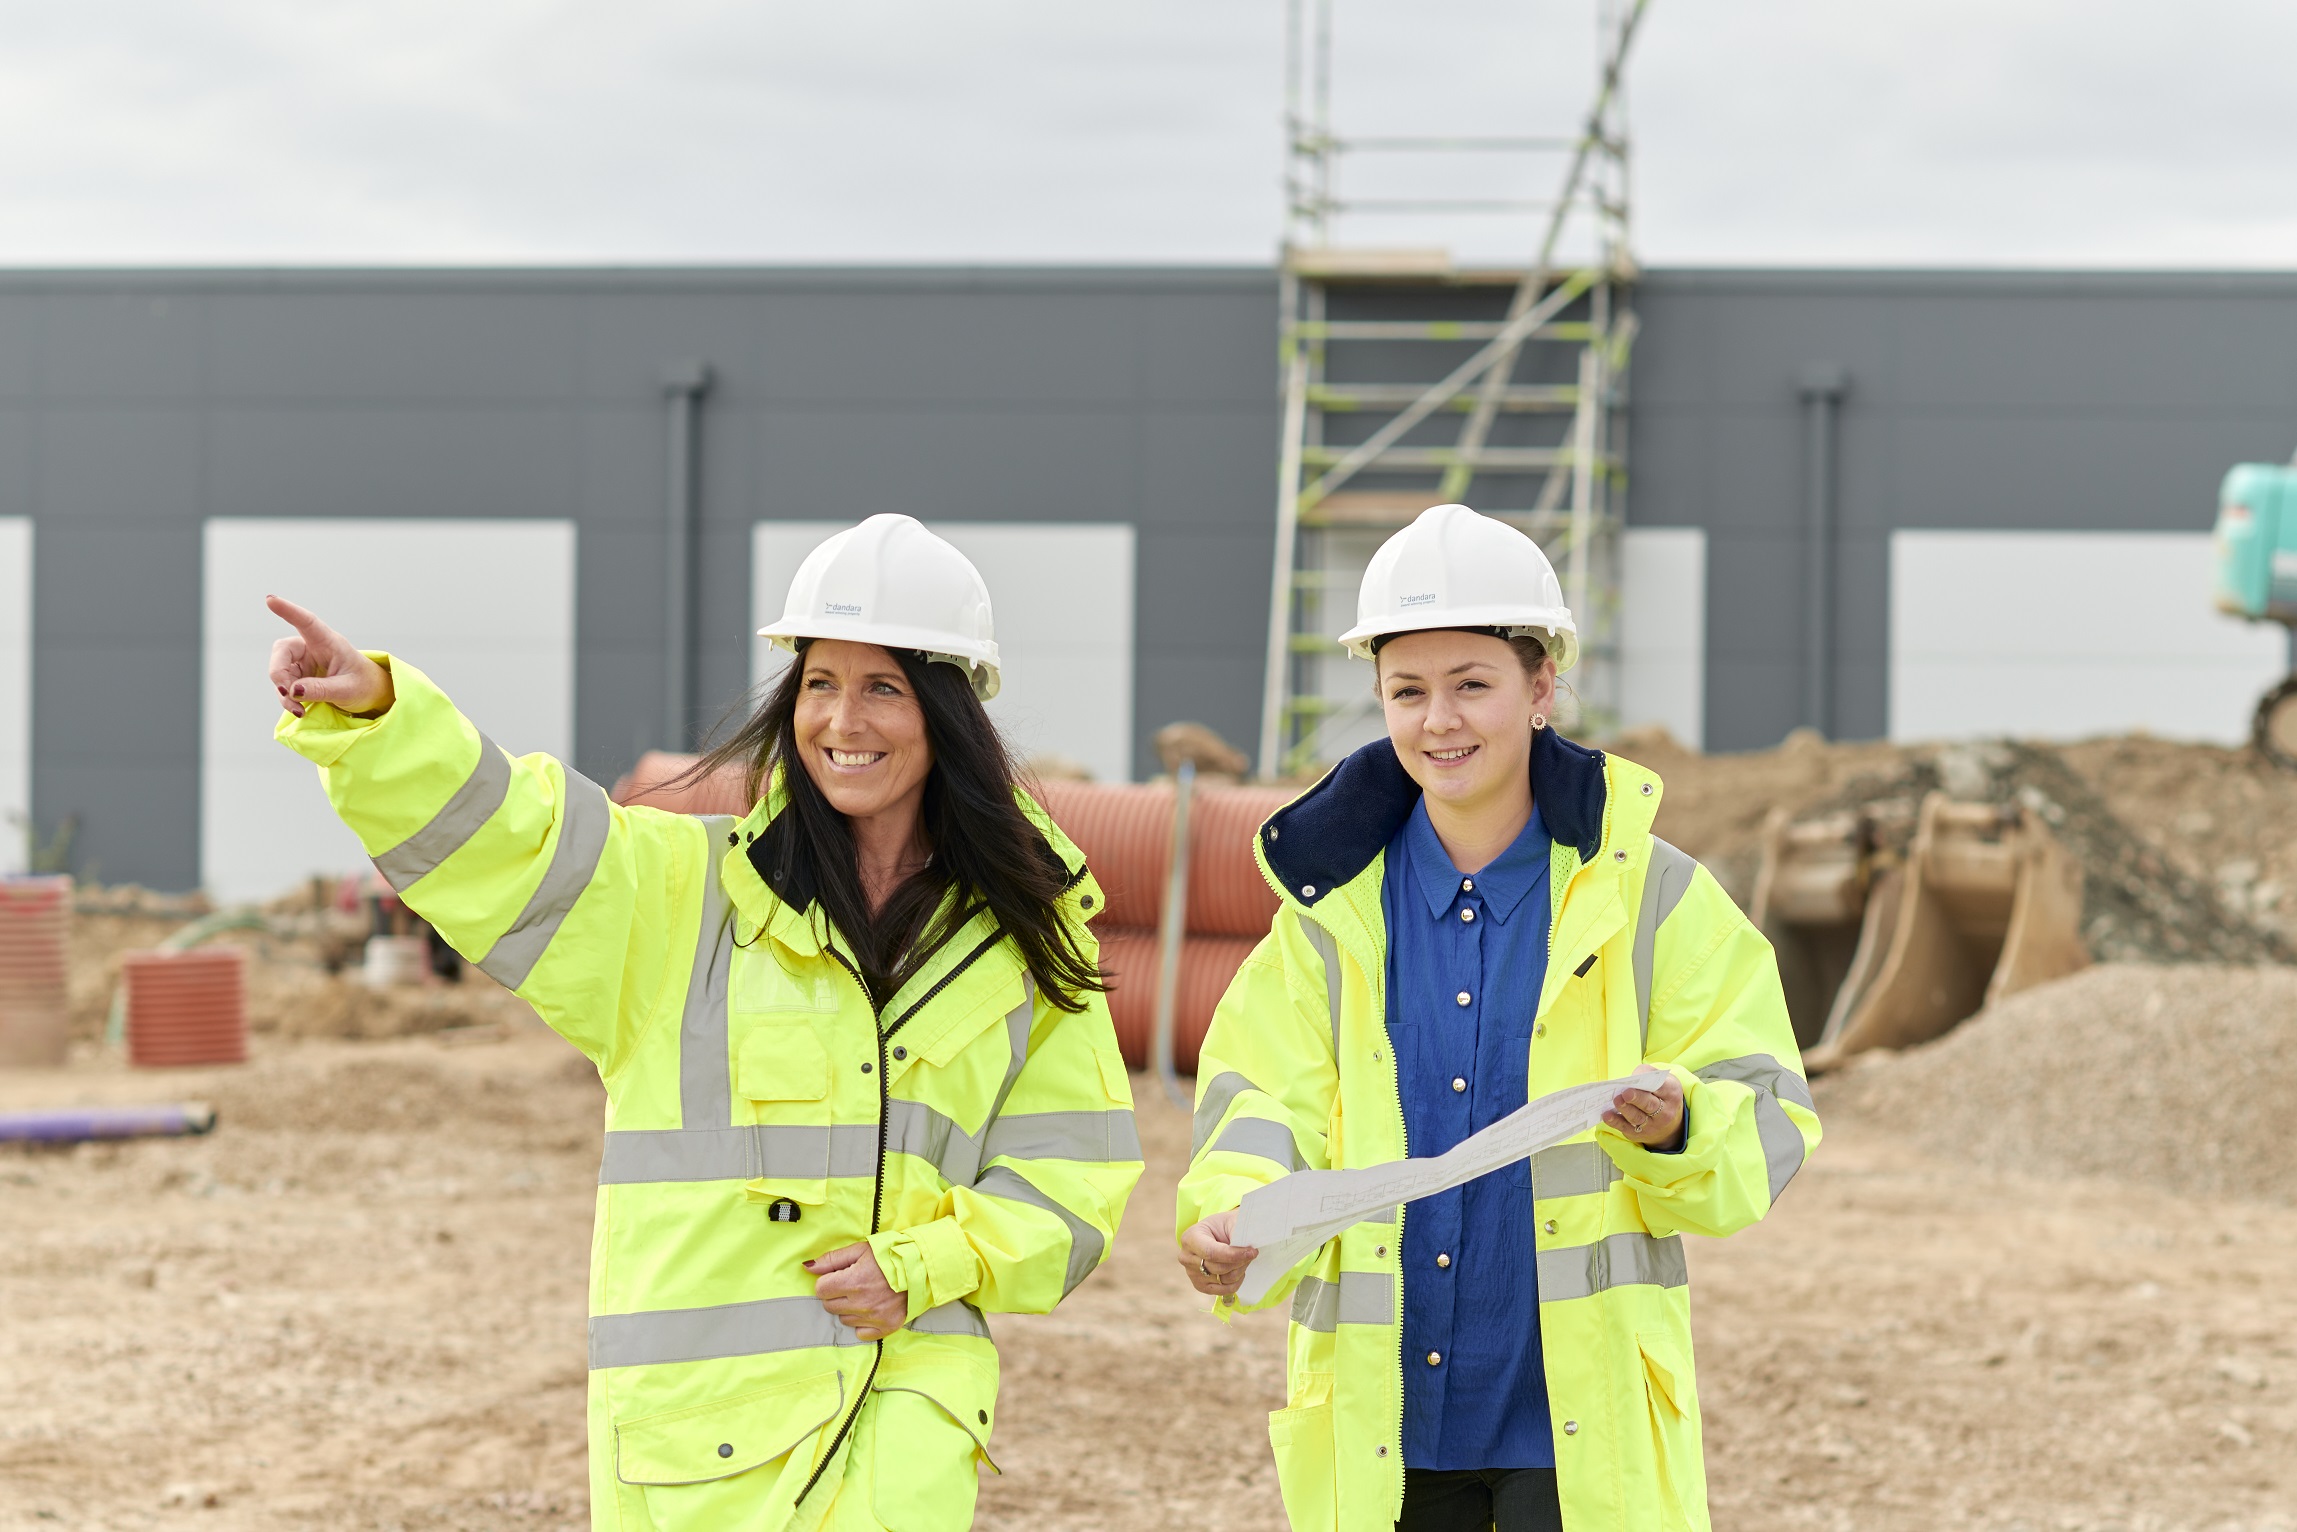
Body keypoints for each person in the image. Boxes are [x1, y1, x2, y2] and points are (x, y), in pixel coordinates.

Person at [269, 513, 1143, 1531]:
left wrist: (926, 1267)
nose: (841, 719)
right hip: (704, 1446)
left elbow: (1071, 1181)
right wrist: (380, 720)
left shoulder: (1021, 938)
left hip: (901, 1415)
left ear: (947, 712)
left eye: (882, 687)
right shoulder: (681, 894)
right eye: (819, 682)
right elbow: (516, 838)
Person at [1176, 504, 1818, 1532]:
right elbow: (1260, 1101)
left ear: (1539, 686)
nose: (1439, 721)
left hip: (1572, 1429)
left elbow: (1771, 1113)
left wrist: (1679, 1123)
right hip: (1385, 1426)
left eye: (1471, 683)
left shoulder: (1652, 899)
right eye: (1406, 690)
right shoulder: (1327, 915)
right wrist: (1231, 1208)